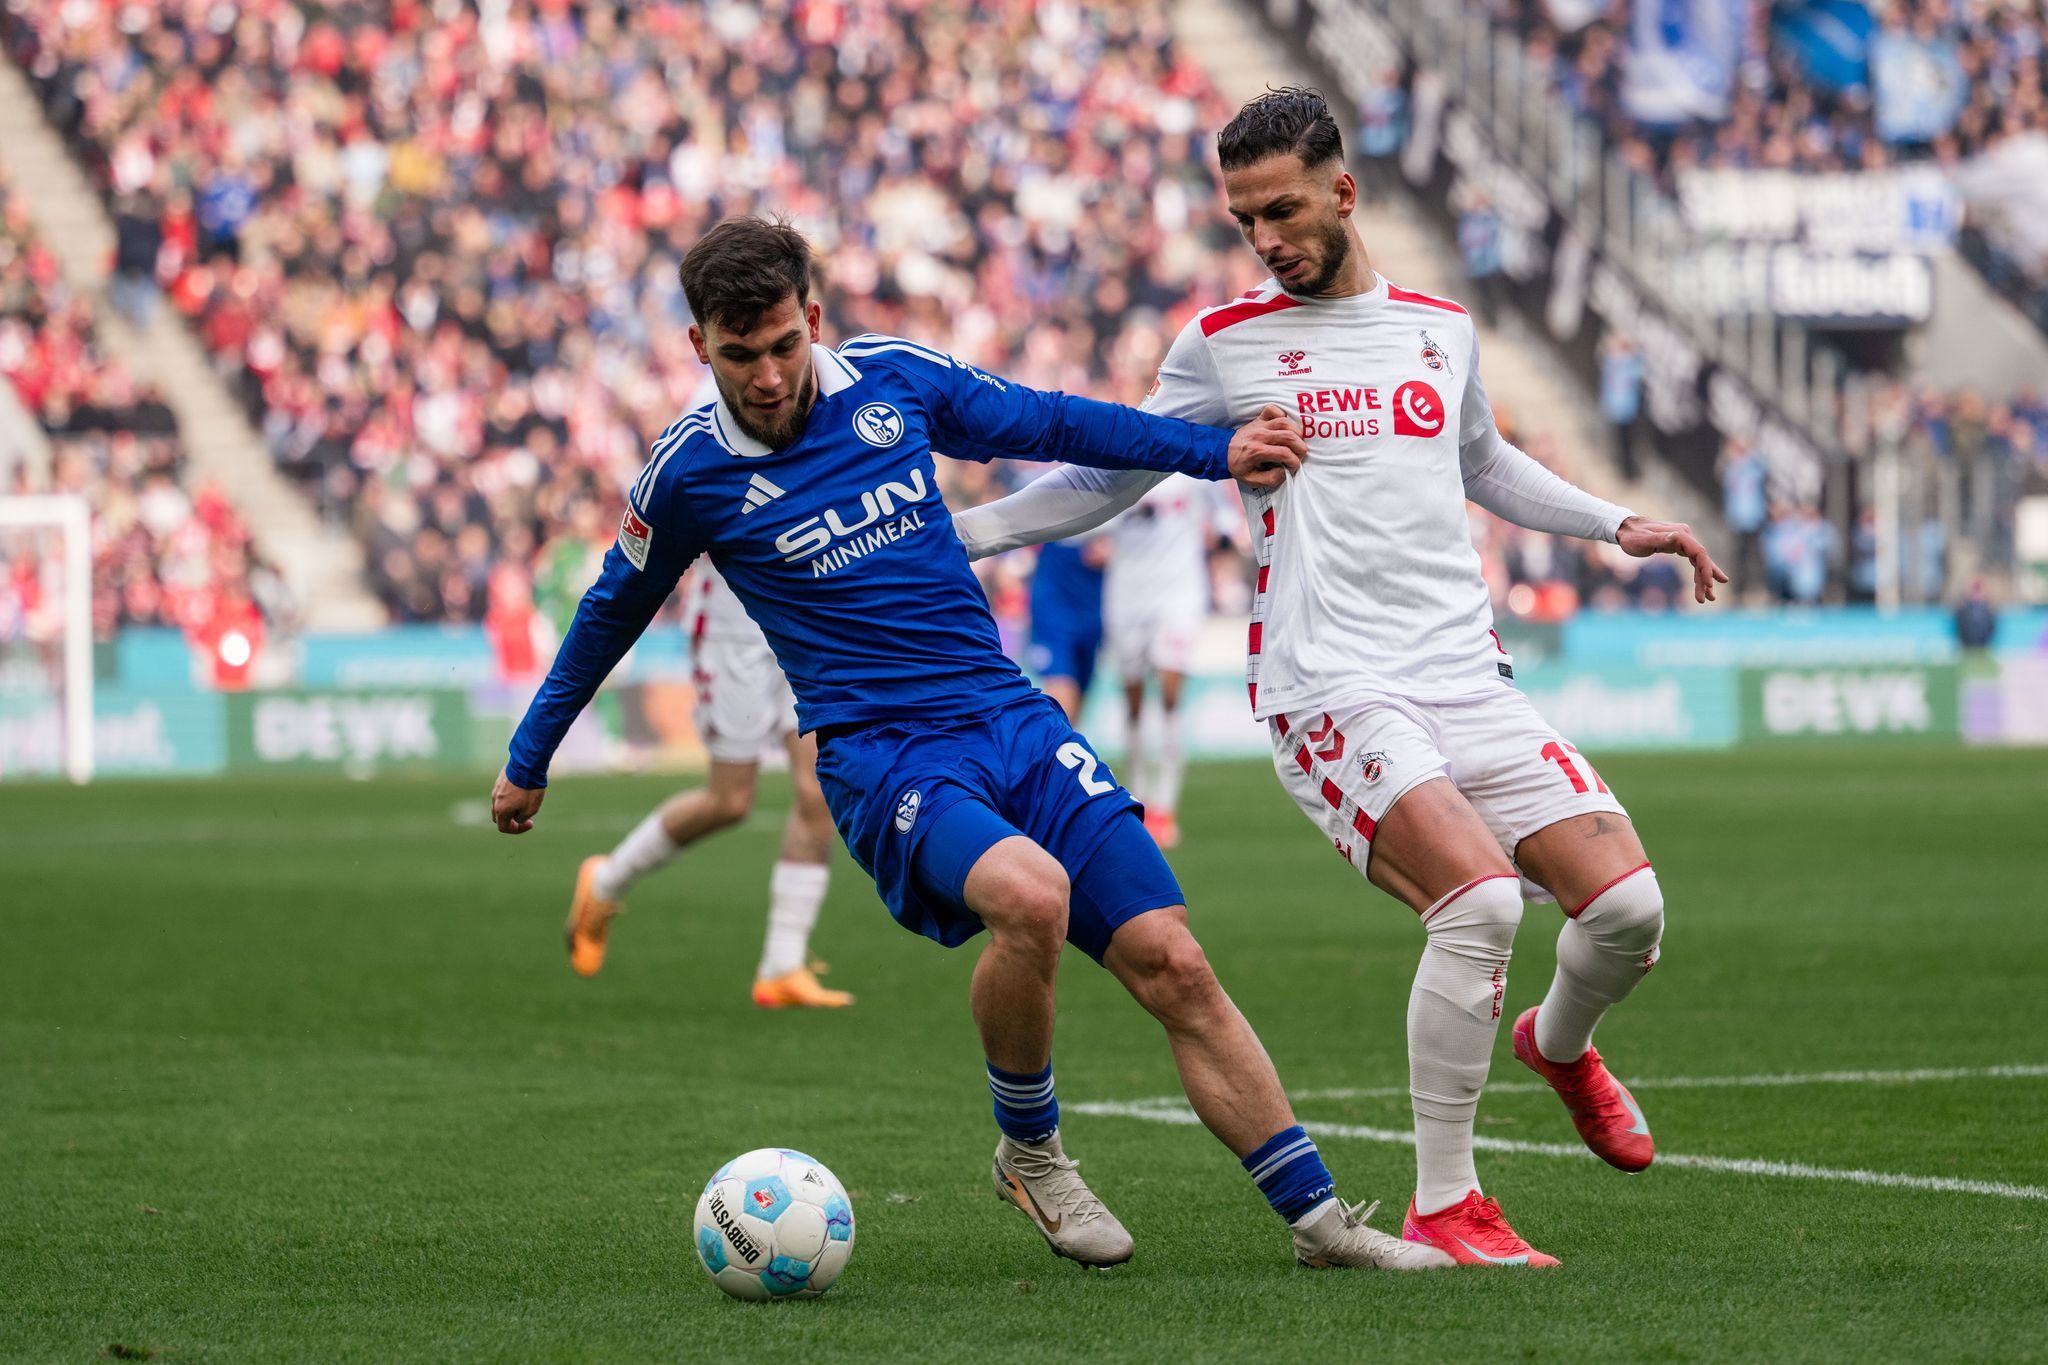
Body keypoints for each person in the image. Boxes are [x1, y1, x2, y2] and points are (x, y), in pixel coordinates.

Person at [491, 215, 1449, 1273]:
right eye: (737, 355)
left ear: (811, 320)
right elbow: (605, 614)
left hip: (1009, 715)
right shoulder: (685, 476)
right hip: (882, 755)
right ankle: (1031, 1153)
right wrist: (529, 758)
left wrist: (1209, 451)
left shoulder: (893, 379)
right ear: (697, 348)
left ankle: (1323, 1226)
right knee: (1030, 896)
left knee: (1171, 961)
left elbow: (1051, 423)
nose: (765, 377)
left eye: (780, 346)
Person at [953, 88, 1727, 1268]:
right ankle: (1445, 1201)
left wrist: (1616, 524)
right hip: (1328, 685)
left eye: (1280, 210)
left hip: (1463, 672)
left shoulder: (1439, 327)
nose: (1264, 238)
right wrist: (965, 534)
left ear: (1341, 192)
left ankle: (1558, 1046)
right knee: (1471, 908)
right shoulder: (1222, 342)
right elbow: (1109, 477)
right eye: (1242, 218)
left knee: (1625, 912)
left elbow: (1482, 463)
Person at [562, 373, 852, 1010]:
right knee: (730, 799)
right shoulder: (717, 396)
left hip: (803, 615)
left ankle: (780, 965)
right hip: (733, 624)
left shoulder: (830, 380)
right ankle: (606, 881)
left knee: (817, 791)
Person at [1101, 474, 1232, 849]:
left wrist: (1219, 538)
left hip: (1178, 593)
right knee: (1134, 703)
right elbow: (1084, 526)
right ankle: (1139, 798)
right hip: (1126, 594)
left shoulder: (1187, 473)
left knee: (1171, 694)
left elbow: (1224, 518)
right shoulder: (1110, 466)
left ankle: (1165, 805)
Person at [1022, 536, 1107, 725]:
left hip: (1093, 609)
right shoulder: (1049, 509)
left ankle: (1065, 746)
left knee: (1080, 694)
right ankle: (1055, 749)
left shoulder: (1115, 512)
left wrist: (1113, 549)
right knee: (1062, 688)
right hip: (1053, 609)